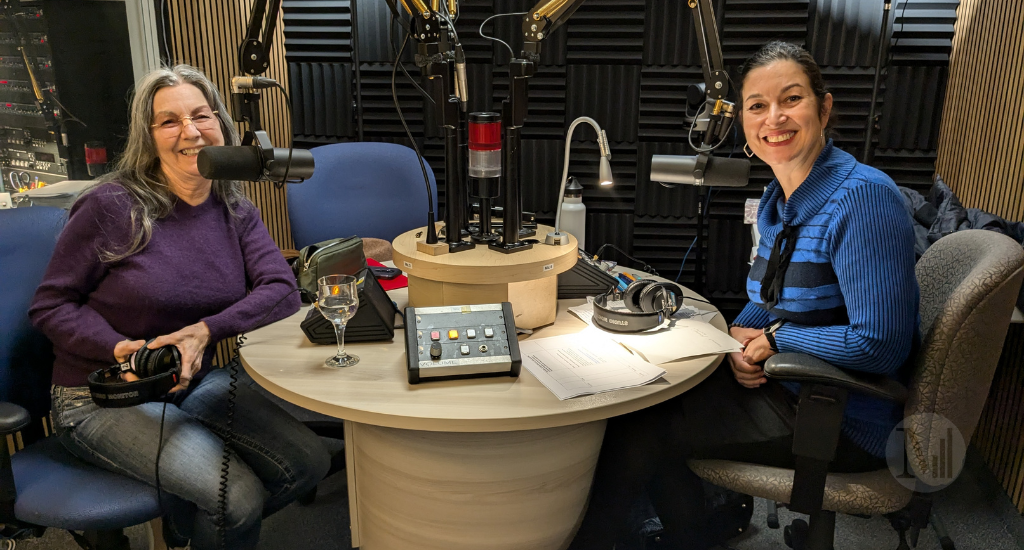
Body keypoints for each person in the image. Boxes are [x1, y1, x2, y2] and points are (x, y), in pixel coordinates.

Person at [569, 41, 920, 550]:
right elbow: (770, 296)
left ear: (824, 108)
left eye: (791, 99)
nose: (773, 117)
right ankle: (688, 535)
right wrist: (735, 335)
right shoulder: (781, 197)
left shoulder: (862, 199)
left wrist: (775, 342)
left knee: (638, 429)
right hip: (789, 389)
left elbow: (880, 344)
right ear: (745, 125)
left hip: (839, 417)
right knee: (639, 402)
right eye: (757, 105)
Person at [29, 64, 330, 550]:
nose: (190, 131)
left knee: (308, 464)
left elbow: (281, 289)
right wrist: (121, 347)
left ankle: (192, 529)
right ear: (148, 138)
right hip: (101, 398)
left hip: (188, 383)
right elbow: (50, 306)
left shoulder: (232, 206)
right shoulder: (110, 205)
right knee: (237, 496)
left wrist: (206, 331)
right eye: (169, 121)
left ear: (221, 126)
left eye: (201, 115)